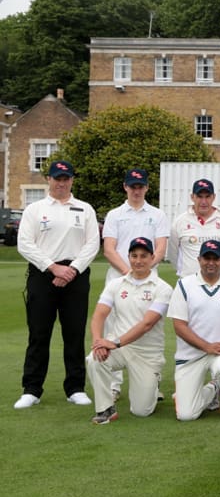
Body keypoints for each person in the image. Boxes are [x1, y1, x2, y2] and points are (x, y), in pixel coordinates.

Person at [15, 160, 100, 410]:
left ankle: (75, 388)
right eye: (57, 178)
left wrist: (72, 269)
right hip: (44, 274)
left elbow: (92, 244)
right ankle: (31, 389)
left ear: (72, 180)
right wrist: (53, 267)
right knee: (39, 334)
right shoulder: (35, 209)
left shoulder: (85, 209)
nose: (61, 183)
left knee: (74, 333)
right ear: (49, 180)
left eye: (66, 178)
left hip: (76, 275)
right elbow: (24, 244)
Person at [86, 237, 173, 424]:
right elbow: (99, 314)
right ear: (129, 257)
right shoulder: (116, 284)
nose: (138, 260)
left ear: (152, 257)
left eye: (143, 256)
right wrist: (98, 342)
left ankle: (153, 384)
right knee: (94, 359)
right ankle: (106, 408)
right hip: (119, 348)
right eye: (134, 256)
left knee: (141, 411)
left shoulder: (163, 288)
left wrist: (114, 342)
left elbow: (147, 324)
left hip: (147, 353)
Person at [169, 239, 220, 422]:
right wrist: (206, 346)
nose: (211, 262)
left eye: (216, 258)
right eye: (207, 258)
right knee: (186, 415)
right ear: (199, 259)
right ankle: (213, 389)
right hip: (190, 354)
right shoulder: (184, 285)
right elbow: (179, 325)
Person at [102, 167, 169, 283]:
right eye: (133, 187)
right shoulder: (114, 215)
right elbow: (109, 250)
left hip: (148, 279)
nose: (137, 192)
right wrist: (128, 273)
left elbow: (160, 249)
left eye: (140, 187)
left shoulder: (159, 215)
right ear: (125, 187)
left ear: (147, 187)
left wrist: (142, 272)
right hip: (118, 278)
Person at [169, 178, 220, 279]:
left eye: (207, 196)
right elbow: (173, 253)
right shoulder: (180, 222)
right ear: (192, 197)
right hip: (188, 281)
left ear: (213, 197)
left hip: (219, 281)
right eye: (199, 197)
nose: (203, 201)